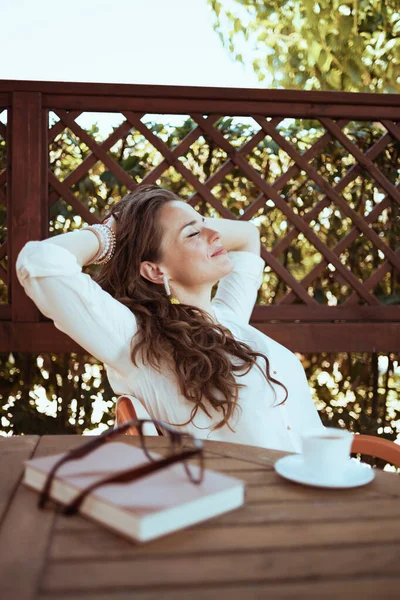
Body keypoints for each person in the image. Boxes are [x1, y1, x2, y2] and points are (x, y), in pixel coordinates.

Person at [16, 185, 324, 452]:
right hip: (258, 509)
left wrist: (181, 222)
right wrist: (113, 233)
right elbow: (40, 263)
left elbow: (247, 235)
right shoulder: (137, 341)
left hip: (325, 486)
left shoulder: (230, 317)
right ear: (154, 270)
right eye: (193, 234)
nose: (215, 234)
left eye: (205, 224)